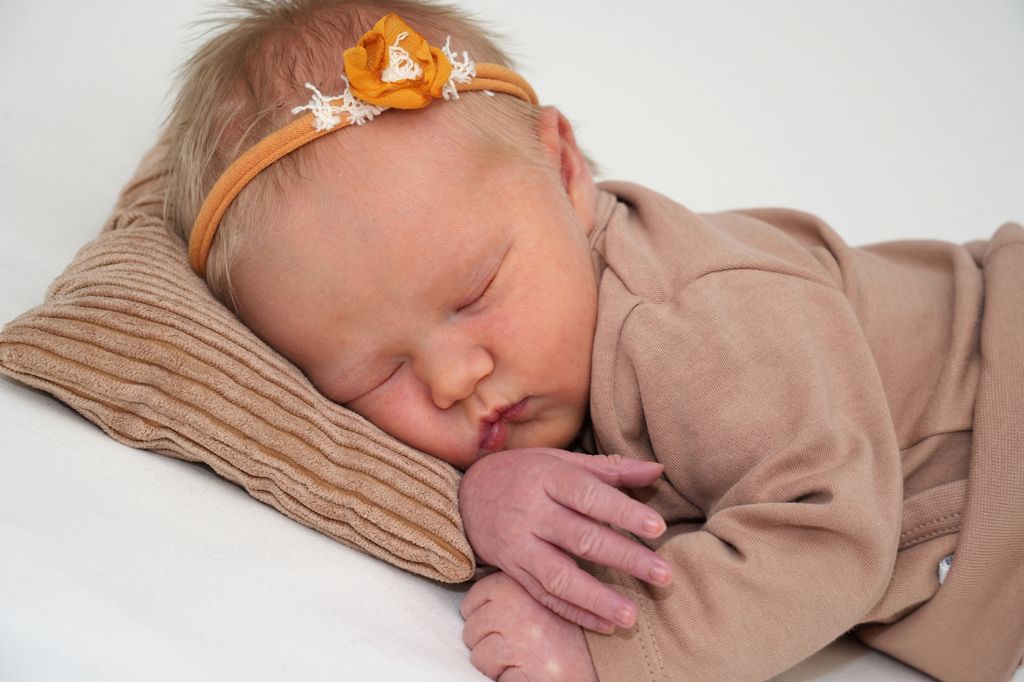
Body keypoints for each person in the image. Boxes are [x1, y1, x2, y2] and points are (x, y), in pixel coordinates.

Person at [163, 1, 1024, 680]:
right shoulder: (546, 349)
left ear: (565, 170)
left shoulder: (694, 323)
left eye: (473, 294)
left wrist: (611, 646)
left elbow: (827, 538)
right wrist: (486, 493)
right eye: (376, 373)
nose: (455, 379)